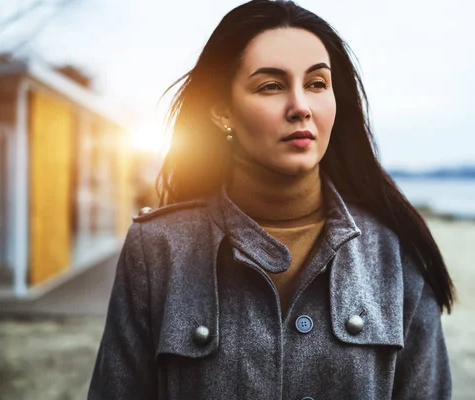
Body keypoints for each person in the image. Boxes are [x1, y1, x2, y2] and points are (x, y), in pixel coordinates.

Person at [88, 0, 456, 398]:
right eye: (271, 86)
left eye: (317, 84)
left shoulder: (396, 252)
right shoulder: (157, 250)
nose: (300, 107)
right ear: (221, 112)